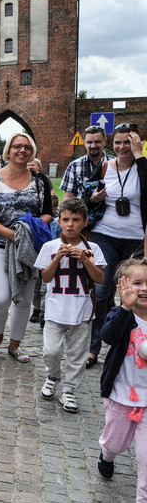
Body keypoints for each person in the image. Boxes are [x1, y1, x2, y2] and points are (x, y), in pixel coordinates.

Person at [0, 132, 53, 363]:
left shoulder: (41, 181)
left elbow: (49, 213)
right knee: (1, 297)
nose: (22, 150)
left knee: (23, 299)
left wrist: (30, 228)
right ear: (8, 151)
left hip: (29, 246)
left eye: (26, 147)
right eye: (16, 146)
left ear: (32, 151)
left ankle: (16, 344)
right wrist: (11, 234)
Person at [34, 198, 105, 413]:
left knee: (77, 355)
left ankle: (69, 390)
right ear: (59, 221)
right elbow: (45, 278)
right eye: (66, 219)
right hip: (55, 311)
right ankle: (53, 374)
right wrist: (57, 259)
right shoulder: (50, 247)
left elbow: (100, 279)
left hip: (81, 312)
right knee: (50, 351)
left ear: (85, 222)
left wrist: (85, 260)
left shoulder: (93, 248)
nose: (70, 224)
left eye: (76, 220)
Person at [84, 125, 146, 369]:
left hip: (136, 238)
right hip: (105, 235)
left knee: (133, 293)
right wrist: (94, 198)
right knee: (100, 290)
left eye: (127, 142)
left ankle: (130, 343)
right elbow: (86, 195)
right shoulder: (106, 166)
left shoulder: (142, 166)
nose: (122, 147)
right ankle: (93, 347)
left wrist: (140, 156)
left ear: (136, 142)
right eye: (118, 142)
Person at [97, 258, 147, 503]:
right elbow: (108, 336)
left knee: (146, 456)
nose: (144, 288)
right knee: (115, 443)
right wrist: (125, 309)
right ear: (124, 287)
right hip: (121, 395)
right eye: (137, 283)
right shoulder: (121, 315)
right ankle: (107, 455)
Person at [60, 125, 113, 199]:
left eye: (97, 142)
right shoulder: (74, 166)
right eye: (89, 142)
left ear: (105, 141)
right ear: (84, 143)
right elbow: (68, 197)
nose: (93, 146)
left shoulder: (115, 164)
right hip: (82, 209)